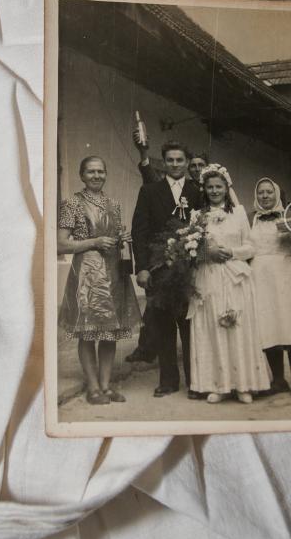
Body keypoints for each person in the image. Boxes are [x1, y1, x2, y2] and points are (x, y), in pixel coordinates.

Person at [58, 156, 140, 405]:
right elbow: (60, 244)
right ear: (82, 175)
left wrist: (123, 238)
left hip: (113, 272)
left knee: (109, 332)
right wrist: (94, 241)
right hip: (87, 274)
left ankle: (106, 386)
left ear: (105, 174)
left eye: (100, 172)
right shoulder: (72, 203)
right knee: (88, 332)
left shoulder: (114, 204)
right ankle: (93, 388)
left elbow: (113, 238)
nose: (96, 176)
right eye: (91, 172)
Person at [187, 165, 270, 403]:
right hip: (208, 276)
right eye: (210, 187)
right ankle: (218, 386)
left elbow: (251, 247)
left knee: (238, 326)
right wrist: (207, 253)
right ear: (204, 189)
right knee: (212, 326)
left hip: (235, 277)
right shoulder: (197, 216)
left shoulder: (239, 213)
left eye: (219, 187)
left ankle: (244, 385)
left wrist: (232, 252)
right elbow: (191, 251)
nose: (214, 191)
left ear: (226, 188)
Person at [131, 141, 203, 396]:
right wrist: (142, 267)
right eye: (170, 160)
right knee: (163, 326)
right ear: (163, 162)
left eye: (179, 160)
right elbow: (139, 232)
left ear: (187, 162)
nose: (175, 164)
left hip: (190, 268)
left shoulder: (197, 191)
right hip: (159, 267)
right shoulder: (149, 191)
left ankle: (196, 382)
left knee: (190, 325)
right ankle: (168, 381)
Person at [249, 177, 291, 399]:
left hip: (289, 276)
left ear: (277, 194)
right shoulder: (250, 219)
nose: (265, 196)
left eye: (269, 192)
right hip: (261, 278)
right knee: (268, 327)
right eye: (261, 192)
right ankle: (278, 380)